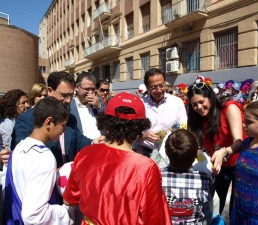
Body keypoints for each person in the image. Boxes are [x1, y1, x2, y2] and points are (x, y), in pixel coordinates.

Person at [63, 92, 172, 225]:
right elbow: (156, 218)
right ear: (139, 126)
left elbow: (69, 199)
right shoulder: (146, 167)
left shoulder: (85, 154)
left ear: (107, 122)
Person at [10, 71, 102, 168]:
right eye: (64, 95)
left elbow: (78, 141)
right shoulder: (27, 119)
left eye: (71, 95)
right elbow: (20, 155)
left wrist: (93, 142)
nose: (68, 100)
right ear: (50, 91)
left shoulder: (71, 118)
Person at [3, 97, 71, 224]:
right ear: (49, 122)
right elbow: (34, 216)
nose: (64, 131)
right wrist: (65, 212)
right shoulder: (44, 157)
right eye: (63, 125)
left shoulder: (19, 148)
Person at [186, 79, 245, 216]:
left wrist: (224, 151)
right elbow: (199, 146)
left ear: (210, 98)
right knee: (215, 206)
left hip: (241, 164)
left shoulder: (229, 108)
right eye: (194, 105)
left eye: (202, 102)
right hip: (219, 166)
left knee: (236, 210)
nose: (199, 107)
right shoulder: (198, 119)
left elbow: (239, 141)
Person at [161, 129, 215, 224]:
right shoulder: (204, 179)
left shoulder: (157, 177)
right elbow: (210, 196)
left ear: (166, 152)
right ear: (196, 154)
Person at [134, 68, 187, 158]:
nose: (159, 90)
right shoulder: (139, 104)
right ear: (147, 87)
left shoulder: (177, 103)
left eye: (161, 86)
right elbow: (131, 130)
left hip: (171, 153)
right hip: (145, 152)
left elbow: (183, 127)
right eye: (154, 87)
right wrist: (144, 135)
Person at [0, 90, 29, 165]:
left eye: (27, 102)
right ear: (14, 105)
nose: (27, 105)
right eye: (23, 103)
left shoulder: (24, 122)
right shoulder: (7, 125)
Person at [70, 72, 102, 139]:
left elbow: (108, 121)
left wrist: (99, 107)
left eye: (93, 89)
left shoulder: (99, 102)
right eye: (87, 89)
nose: (90, 93)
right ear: (76, 88)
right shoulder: (69, 106)